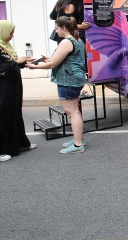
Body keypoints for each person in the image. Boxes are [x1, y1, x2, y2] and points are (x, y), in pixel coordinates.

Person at [28, 17, 87, 154]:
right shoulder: (77, 40)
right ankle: (79, 139)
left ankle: (78, 145)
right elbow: (63, 59)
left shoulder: (66, 42)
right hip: (75, 79)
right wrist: (49, 59)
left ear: (64, 28)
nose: (56, 31)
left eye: (57, 28)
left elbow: (53, 64)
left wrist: (34, 67)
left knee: (72, 112)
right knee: (75, 111)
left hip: (68, 80)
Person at [0, 21, 36, 162]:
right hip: (4, 87)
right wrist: (16, 62)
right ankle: (2, 150)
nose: (12, 36)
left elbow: (11, 65)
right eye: (10, 32)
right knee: (3, 116)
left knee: (15, 113)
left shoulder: (5, 46)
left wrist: (22, 63)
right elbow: (2, 69)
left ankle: (21, 143)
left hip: (13, 85)